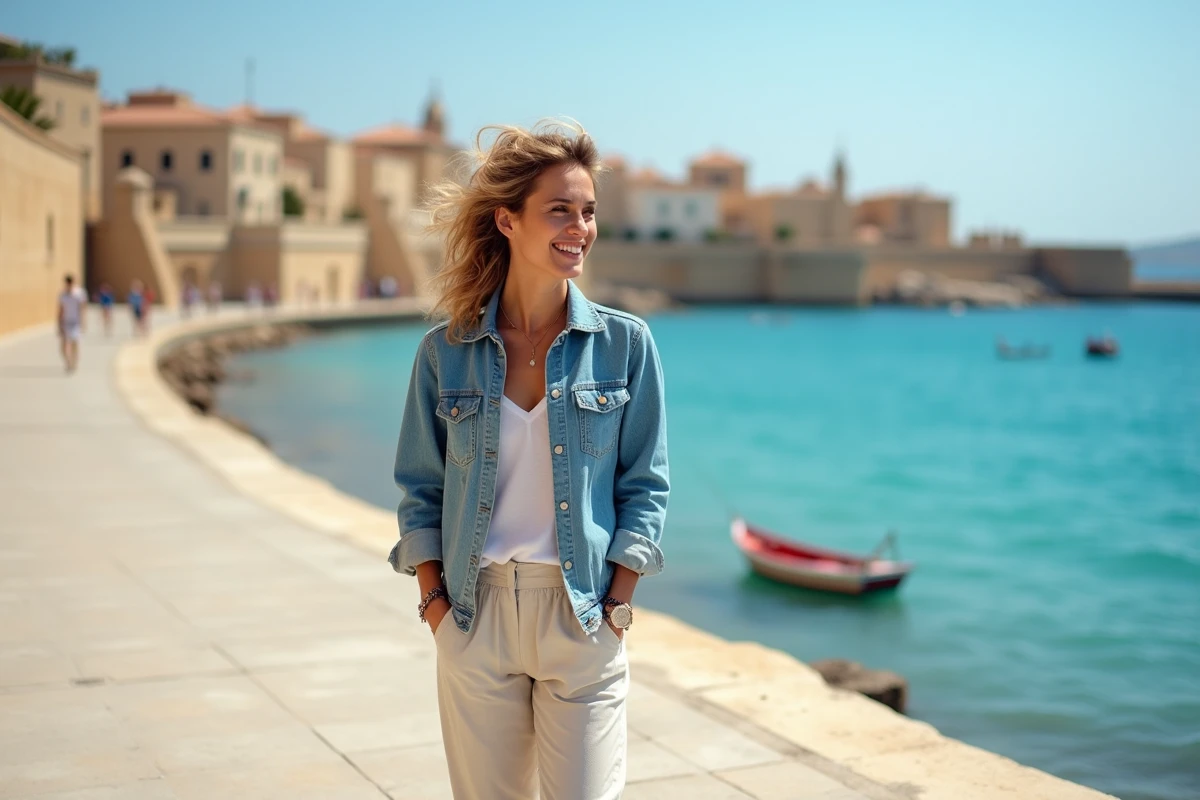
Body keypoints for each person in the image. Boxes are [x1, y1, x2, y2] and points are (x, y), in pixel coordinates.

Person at [389, 121, 669, 800]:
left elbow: (646, 487)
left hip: (580, 616)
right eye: (560, 210)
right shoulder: (443, 352)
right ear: (507, 221)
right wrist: (435, 606)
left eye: (589, 210)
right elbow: (420, 490)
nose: (580, 227)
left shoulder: (626, 345)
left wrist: (616, 611)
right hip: (474, 615)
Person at [56, 275, 86, 372]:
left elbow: (82, 308)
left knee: (74, 343)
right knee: (63, 345)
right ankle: (68, 362)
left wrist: (83, 322)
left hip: (75, 322)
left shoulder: (79, 293)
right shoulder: (63, 295)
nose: (69, 285)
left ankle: (74, 362)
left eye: (70, 283)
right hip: (66, 322)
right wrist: (59, 325)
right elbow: (60, 310)